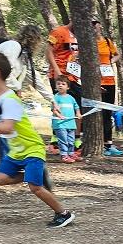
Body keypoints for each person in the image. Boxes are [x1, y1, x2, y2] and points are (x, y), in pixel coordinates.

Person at [0, 52, 75, 228]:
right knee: (1, 179)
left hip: (31, 148)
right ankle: (34, 175)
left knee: (35, 188)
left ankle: (63, 213)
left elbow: (7, 127)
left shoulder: (10, 99)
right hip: (16, 150)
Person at [0, 25, 60, 160]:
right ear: (34, 39)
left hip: (6, 90)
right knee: (6, 126)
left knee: (13, 125)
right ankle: (7, 159)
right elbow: (4, 70)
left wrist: (52, 100)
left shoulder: (24, 56)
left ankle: (13, 157)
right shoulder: (13, 46)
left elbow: (35, 79)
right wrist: (16, 88)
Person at [46, 22, 82, 155]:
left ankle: (76, 139)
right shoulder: (59, 31)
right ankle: (55, 140)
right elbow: (48, 51)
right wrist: (57, 71)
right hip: (60, 77)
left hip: (73, 77)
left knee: (76, 107)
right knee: (59, 105)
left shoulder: (81, 36)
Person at [93, 20, 123, 156]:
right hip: (95, 81)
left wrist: (109, 62)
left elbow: (117, 55)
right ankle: (97, 142)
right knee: (96, 113)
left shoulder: (107, 41)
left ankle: (108, 144)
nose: (96, 28)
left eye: (97, 25)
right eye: (93, 26)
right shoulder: (88, 43)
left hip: (109, 80)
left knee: (107, 113)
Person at [52, 75, 82, 163]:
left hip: (71, 124)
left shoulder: (71, 98)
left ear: (68, 87)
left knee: (71, 140)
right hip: (60, 124)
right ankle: (64, 155)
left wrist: (78, 114)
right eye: (58, 84)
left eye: (63, 84)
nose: (60, 86)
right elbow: (54, 109)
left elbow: (76, 107)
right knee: (63, 140)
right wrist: (59, 115)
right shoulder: (55, 97)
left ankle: (71, 153)